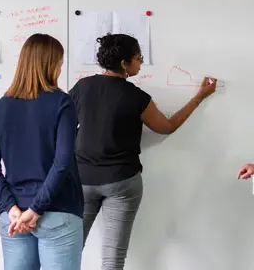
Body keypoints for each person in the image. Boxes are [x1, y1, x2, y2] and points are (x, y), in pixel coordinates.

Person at [69, 33, 217, 270]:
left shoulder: (82, 87)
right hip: (121, 181)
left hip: (81, 179)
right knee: (113, 260)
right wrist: (198, 97)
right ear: (124, 63)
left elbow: (65, 126)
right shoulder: (136, 97)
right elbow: (166, 127)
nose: (141, 62)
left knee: (70, 250)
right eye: (138, 58)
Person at [0, 33, 84, 270]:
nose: (60, 69)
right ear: (51, 64)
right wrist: (36, 208)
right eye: (59, 62)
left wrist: (12, 208)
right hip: (57, 211)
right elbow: (62, 162)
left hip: (14, 215)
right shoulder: (62, 103)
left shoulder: (1, 107)